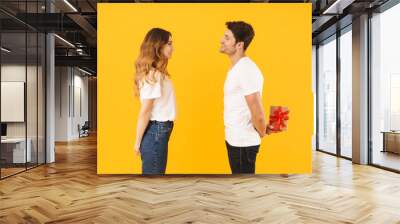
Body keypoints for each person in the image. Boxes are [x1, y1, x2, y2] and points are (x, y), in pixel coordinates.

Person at [220, 21, 273, 174]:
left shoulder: (245, 68)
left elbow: (257, 110)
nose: (222, 40)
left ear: (239, 45)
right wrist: (262, 127)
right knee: (240, 188)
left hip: (243, 143)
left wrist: (262, 130)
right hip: (235, 139)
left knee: (244, 190)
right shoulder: (236, 68)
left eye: (227, 37)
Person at [134, 28, 176, 175]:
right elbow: (145, 111)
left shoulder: (158, 74)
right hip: (156, 131)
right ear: (158, 46)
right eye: (169, 43)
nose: (173, 48)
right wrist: (137, 142)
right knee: (154, 182)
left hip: (160, 131)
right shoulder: (153, 75)